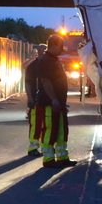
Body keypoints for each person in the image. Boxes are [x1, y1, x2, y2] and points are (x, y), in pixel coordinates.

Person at [34, 34, 76, 168]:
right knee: (50, 131)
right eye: (61, 45)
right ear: (54, 45)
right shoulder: (46, 60)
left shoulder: (53, 59)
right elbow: (46, 81)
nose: (62, 49)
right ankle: (48, 159)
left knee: (61, 130)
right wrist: (54, 100)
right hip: (49, 103)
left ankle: (62, 158)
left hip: (58, 103)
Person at [24, 44, 47, 156]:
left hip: (45, 100)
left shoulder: (47, 65)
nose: (43, 52)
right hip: (36, 100)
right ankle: (33, 148)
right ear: (38, 51)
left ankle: (44, 146)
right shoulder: (32, 66)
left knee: (45, 125)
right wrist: (30, 98)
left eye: (44, 50)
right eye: (41, 50)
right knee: (35, 124)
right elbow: (28, 83)